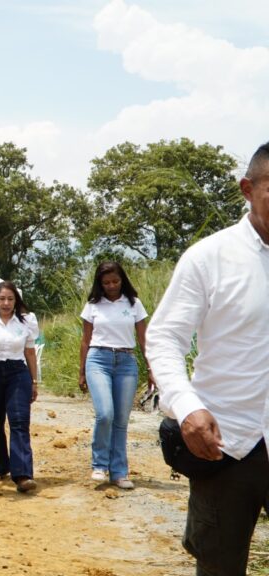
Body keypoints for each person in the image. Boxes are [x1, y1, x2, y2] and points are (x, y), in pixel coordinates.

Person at [147, 141, 269, 575]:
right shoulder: (210, 258)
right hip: (228, 443)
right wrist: (187, 407)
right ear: (247, 189)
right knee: (220, 563)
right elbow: (164, 337)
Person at [78, 261, 152, 489]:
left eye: (115, 281)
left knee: (121, 420)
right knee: (105, 414)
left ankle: (119, 472)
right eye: (106, 282)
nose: (111, 286)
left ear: (122, 280)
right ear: (100, 283)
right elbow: (85, 340)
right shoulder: (93, 305)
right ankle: (100, 465)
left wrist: (151, 368)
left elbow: (143, 339)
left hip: (126, 362)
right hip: (98, 360)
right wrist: (81, 372)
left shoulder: (134, 304)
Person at [0, 281, 39, 493]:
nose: (6, 303)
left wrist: (34, 381)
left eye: (10, 299)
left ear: (17, 301)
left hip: (18, 372)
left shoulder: (27, 321)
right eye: (2, 298)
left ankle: (22, 474)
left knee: (19, 420)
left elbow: (30, 352)